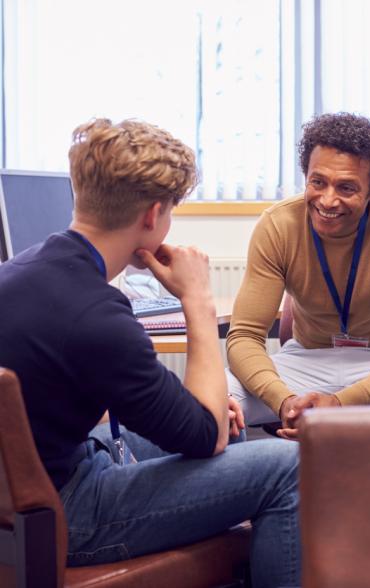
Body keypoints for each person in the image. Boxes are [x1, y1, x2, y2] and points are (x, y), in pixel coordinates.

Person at [0, 118, 300, 587]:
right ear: (152, 215)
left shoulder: (24, 268)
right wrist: (196, 300)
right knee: (288, 467)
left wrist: (202, 415)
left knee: (232, 429)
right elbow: (204, 437)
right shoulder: (97, 315)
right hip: (66, 513)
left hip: (29, 488)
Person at [226, 112, 370, 440]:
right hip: (306, 361)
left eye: (346, 187)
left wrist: (341, 403)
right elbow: (244, 337)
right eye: (318, 182)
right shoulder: (278, 225)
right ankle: (251, 487)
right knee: (216, 398)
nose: (328, 200)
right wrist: (285, 402)